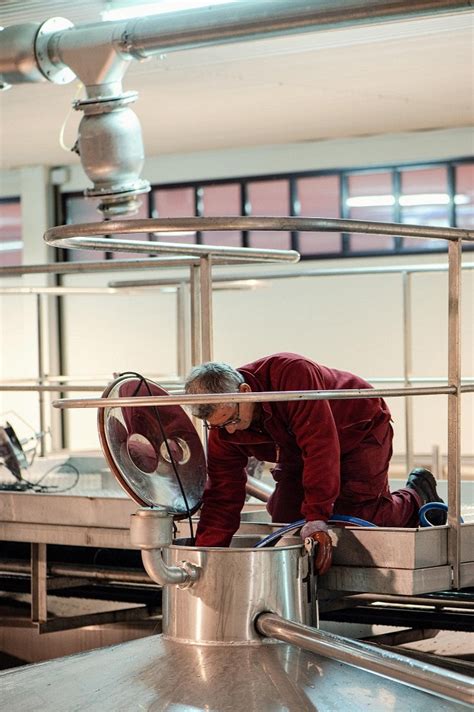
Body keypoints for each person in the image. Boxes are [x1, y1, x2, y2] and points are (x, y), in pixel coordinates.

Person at [184, 352, 445, 573]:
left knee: (358, 516)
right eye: (217, 426)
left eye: (231, 420)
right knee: (286, 519)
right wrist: (206, 556)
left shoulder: (292, 375)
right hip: (296, 448)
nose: (228, 432)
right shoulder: (224, 428)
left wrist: (318, 517)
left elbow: (321, 447)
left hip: (357, 429)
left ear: (245, 392)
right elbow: (222, 494)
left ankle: (416, 497)